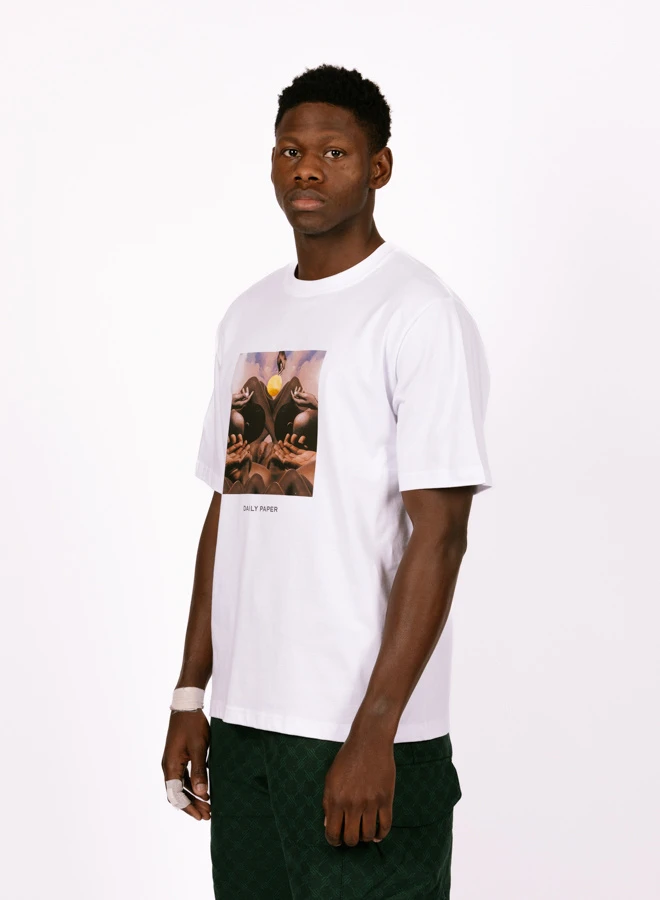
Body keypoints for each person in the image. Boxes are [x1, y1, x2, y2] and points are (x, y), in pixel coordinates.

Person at [161, 63, 493, 899]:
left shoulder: (417, 313)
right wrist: (192, 691)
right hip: (246, 727)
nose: (307, 168)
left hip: (362, 733)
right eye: (290, 150)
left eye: (334, 152)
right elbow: (230, 509)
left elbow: (441, 535)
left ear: (379, 167)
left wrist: (375, 731)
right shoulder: (248, 314)